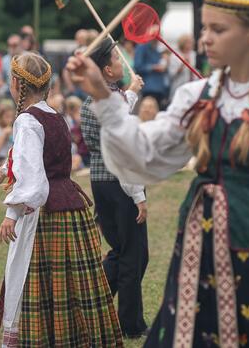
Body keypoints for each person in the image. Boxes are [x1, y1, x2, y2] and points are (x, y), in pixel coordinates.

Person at [67, 0, 249, 347]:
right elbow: (145, 155)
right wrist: (104, 97)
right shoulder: (197, 96)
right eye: (204, 29)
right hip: (199, 253)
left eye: (218, 30)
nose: (205, 40)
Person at [0, 52, 123, 347]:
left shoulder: (26, 121)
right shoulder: (54, 115)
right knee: (73, 285)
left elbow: (34, 180)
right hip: (70, 207)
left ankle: (47, 339)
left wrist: (11, 215)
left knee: (44, 284)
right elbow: (42, 162)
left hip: (46, 214)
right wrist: (4, 170)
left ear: (17, 84)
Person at [80, 37, 150, 338]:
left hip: (100, 182)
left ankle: (92, 306)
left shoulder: (90, 100)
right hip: (120, 183)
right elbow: (121, 146)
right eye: (117, 60)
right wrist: (138, 195)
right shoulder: (110, 101)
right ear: (107, 71)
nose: (122, 62)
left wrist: (130, 91)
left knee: (120, 251)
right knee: (134, 255)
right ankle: (130, 325)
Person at [135, 39, 168, 108]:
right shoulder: (142, 47)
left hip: (160, 89)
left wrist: (166, 62)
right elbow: (138, 66)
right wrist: (154, 67)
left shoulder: (159, 49)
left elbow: (163, 68)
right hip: (149, 88)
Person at [167, 33, 197, 100]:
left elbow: (196, 72)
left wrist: (191, 68)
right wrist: (183, 65)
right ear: (183, 43)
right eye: (188, 43)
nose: (190, 45)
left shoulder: (194, 55)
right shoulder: (175, 56)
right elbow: (171, 74)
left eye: (191, 43)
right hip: (178, 87)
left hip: (192, 87)